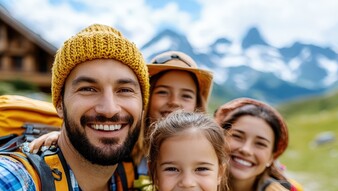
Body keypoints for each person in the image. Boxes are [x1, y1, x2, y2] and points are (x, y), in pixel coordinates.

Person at [0, 23, 149, 191]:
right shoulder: (19, 183)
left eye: (125, 90)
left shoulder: (129, 182)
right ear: (59, 104)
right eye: (88, 89)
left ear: (143, 106)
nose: (109, 109)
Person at [28, 50, 214, 177]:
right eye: (163, 92)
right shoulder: (124, 145)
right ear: (144, 99)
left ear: (198, 105)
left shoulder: (208, 150)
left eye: (186, 95)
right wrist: (64, 137)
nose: (174, 101)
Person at [121, 111, 268, 191]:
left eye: (201, 169)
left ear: (219, 173)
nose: (187, 182)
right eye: (172, 169)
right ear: (153, 173)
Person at [214, 98, 311, 191]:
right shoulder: (198, 184)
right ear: (220, 139)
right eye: (237, 136)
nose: (246, 150)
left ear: (272, 157)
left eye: (260, 144)